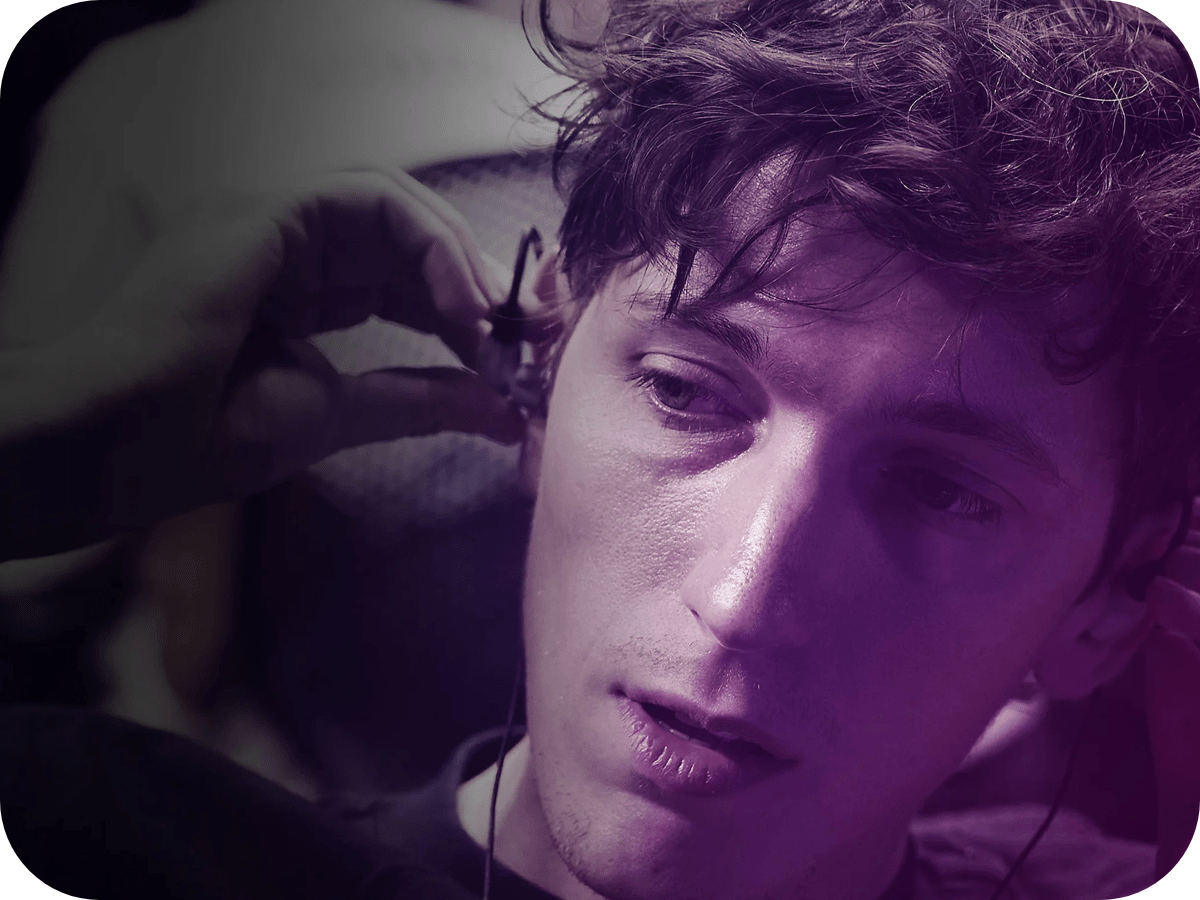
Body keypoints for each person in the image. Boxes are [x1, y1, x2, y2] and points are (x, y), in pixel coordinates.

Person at [2, 1, 1200, 899]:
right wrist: (35, 462)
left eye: (941, 490)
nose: (741, 601)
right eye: (684, 391)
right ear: (538, 386)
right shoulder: (107, 848)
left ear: (1103, 611)